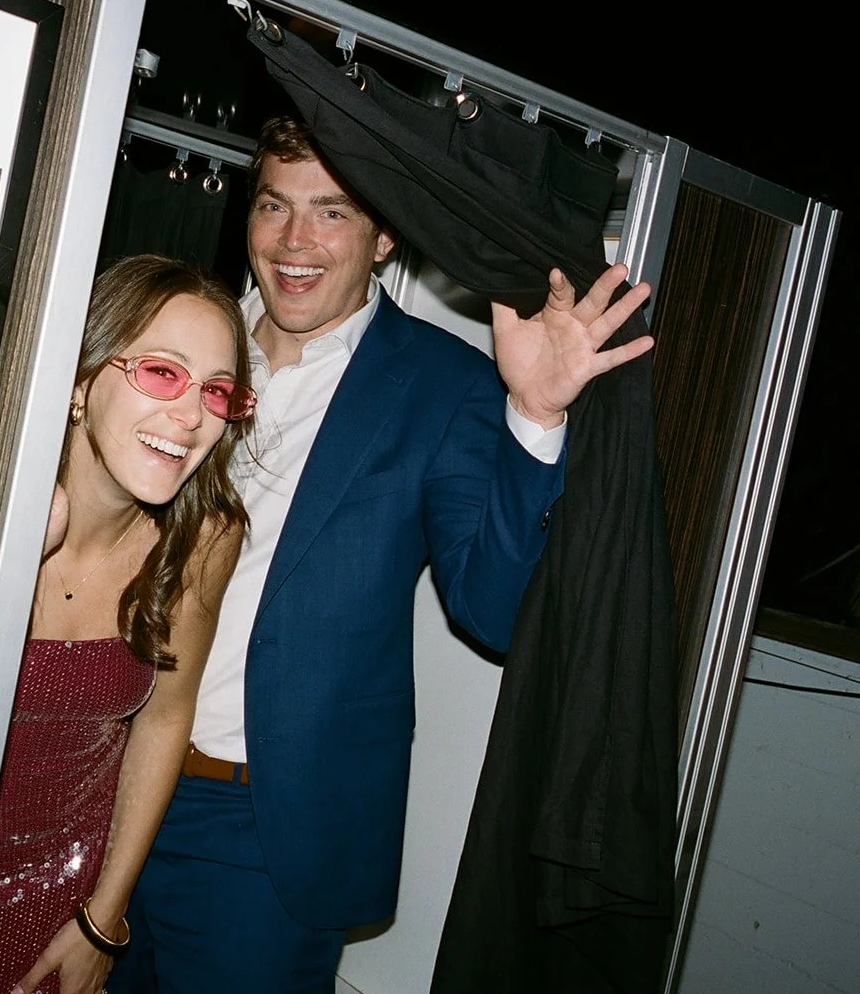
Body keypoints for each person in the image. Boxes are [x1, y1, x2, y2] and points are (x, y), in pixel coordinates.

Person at [105, 117, 654, 993]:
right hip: (103, 779)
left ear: (386, 231)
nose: (294, 241)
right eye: (274, 206)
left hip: (267, 827)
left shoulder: (440, 385)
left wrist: (538, 416)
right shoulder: (181, 340)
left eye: (332, 213)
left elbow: (493, 608)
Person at [0, 255, 256, 994]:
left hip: (61, 906)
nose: (193, 415)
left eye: (218, 392)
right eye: (163, 372)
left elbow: (162, 723)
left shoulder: (203, 538)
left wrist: (103, 918)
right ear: (82, 379)